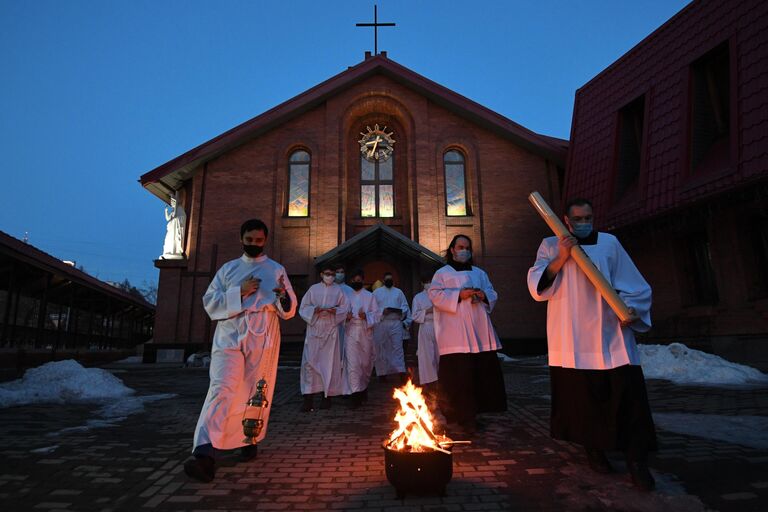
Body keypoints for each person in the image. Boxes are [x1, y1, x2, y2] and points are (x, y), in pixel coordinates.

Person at [526, 197, 656, 491]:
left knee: (628, 397)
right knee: (583, 400)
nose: (584, 223)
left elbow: (634, 284)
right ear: (566, 220)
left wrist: (630, 309)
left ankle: (637, 459)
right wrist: (562, 255)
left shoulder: (610, 243)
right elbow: (537, 287)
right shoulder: (549, 244)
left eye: (589, 218)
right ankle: (593, 450)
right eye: (578, 219)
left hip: (611, 333)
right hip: (572, 336)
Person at [184, 218, 296, 483]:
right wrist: (239, 292)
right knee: (222, 387)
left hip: (263, 330)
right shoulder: (228, 269)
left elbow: (289, 310)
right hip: (230, 331)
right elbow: (210, 304)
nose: (254, 244)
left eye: (259, 240)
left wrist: (281, 296)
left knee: (256, 388)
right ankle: (204, 452)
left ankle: (248, 438)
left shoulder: (276, 269)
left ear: (265, 240)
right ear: (241, 239)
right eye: (249, 240)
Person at [428, 235, 507, 436]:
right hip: (455, 335)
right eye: (460, 247)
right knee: (458, 377)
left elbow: (492, 292)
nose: (464, 250)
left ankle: (473, 415)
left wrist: (483, 295)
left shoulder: (480, 273)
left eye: (467, 247)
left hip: (479, 330)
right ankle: (455, 417)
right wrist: (458, 295)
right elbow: (435, 296)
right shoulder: (442, 273)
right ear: (452, 249)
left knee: (478, 375)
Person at [299, 265, 349, 412]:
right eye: (327, 274)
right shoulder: (313, 289)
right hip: (315, 328)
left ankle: (327, 397)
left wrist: (336, 311)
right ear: (321, 274)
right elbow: (303, 308)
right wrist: (314, 310)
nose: (331, 276)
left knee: (329, 363)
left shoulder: (338, 290)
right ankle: (308, 399)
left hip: (330, 329)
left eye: (332, 274)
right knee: (310, 363)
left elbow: (345, 307)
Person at [341, 269, 379, 408]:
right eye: (354, 280)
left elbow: (377, 315)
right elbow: (341, 314)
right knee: (352, 364)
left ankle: (363, 388)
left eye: (359, 280)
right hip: (351, 331)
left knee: (365, 364)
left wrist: (366, 317)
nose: (356, 282)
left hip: (365, 332)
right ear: (351, 281)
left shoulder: (370, 296)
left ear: (363, 280)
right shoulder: (346, 296)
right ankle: (355, 395)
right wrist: (347, 317)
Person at [372, 272, 411, 383]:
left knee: (397, 347)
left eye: (390, 279)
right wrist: (382, 311)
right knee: (381, 348)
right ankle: (382, 374)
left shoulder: (399, 292)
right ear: (383, 280)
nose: (389, 280)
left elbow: (405, 306)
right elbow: (372, 309)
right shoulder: (376, 293)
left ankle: (401, 371)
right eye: (387, 279)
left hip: (395, 322)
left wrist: (400, 312)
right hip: (382, 323)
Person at [411, 274, 439, 396]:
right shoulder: (418, 297)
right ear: (422, 283)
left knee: (439, 354)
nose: (429, 284)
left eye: (430, 281)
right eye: (426, 282)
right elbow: (414, 315)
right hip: (426, 326)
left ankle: (439, 379)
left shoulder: (439, 295)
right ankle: (429, 382)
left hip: (439, 327)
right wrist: (427, 311)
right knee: (427, 355)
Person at [161, 191, 186, 259]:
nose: (171, 203)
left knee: (173, 240)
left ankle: (174, 251)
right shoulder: (173, 211)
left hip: (175, 230)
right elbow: (168, 218)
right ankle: (168, 251)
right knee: (168, 239)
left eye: (172, 202)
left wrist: (176, 219)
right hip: (171, 229)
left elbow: (181, 217)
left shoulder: (179, 209)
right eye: (171, 202)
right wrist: (166, 211)